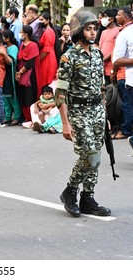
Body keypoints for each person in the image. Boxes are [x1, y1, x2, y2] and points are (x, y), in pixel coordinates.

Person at [56, 11, 111, 218]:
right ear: (80, 31)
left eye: (94, 28)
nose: (93, 32)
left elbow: (102, 89)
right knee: (90, 155)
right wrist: (65, 123)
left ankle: (88, 197)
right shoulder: (69, 57)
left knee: (96, 155)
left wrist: (105, 116)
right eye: (88, 29)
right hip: (79, 112)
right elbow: (60, 93)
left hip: (97, 110)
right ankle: (70, 191)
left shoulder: (97, 54)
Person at [112, 7, 133, 141]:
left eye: (118, 15)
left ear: (125, 17)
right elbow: (117, 60)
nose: (115, 17)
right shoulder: (124, 34)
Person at [16, 25, 40, 125]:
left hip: (28, 73)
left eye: (21, 32)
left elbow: (30, 62)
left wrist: (20, 72)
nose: (20, 34)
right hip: (20, 72)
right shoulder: (22, 45)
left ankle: (31, 118)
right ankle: (26, 117)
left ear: (26, 34)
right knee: (22, 96)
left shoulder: (33, 45)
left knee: (29, 95)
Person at [38, 12, 58, 94]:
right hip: (48, 57)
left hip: (47, 59)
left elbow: (46, 50)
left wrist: (37, 60)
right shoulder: (47, 31)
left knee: (46, 81)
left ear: (48, 21)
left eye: (42, 20)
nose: (40, 22)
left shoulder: (48, 32)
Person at [99, 8, 119, 85]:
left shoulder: (118, 31)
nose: (103, 19)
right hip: (102, 67)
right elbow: (100, 47)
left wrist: (103, 59)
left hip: (112, 68)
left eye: (105, 16)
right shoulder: (103, 32)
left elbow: (115, 50)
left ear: (111, 19)